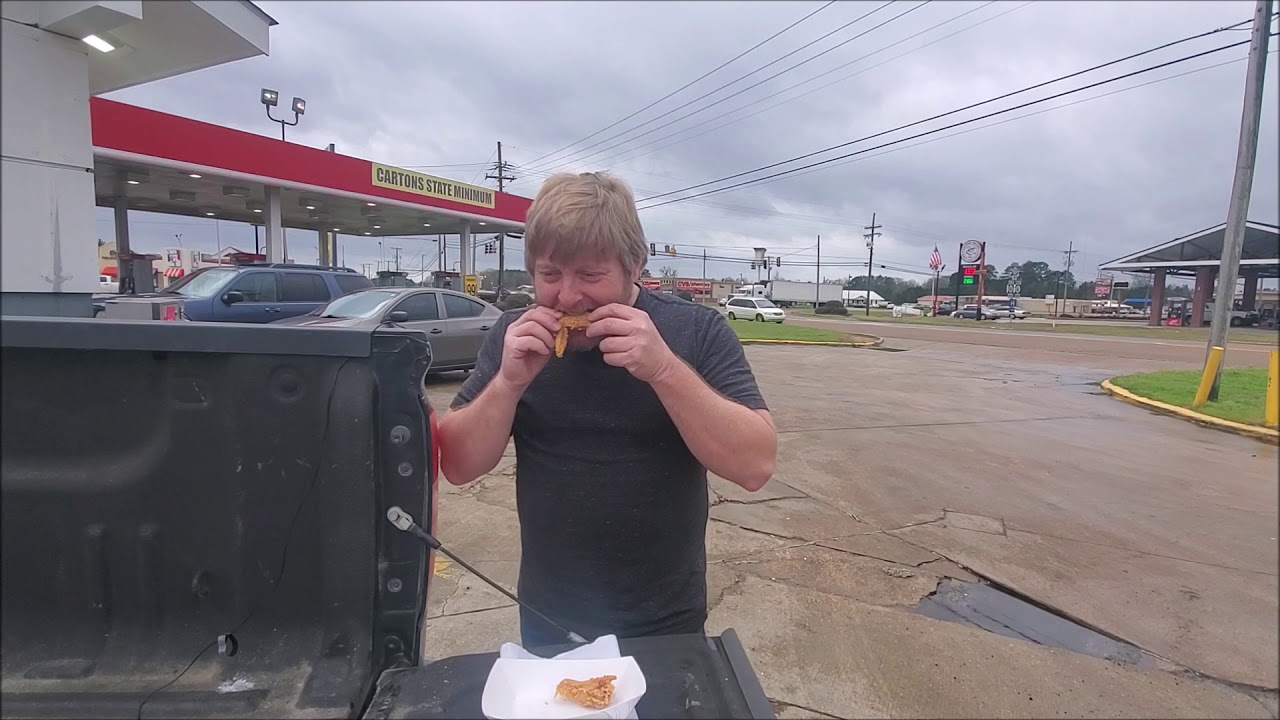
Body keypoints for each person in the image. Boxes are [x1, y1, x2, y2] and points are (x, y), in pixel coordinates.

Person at [437, 171, 777, 648]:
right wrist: (509, 383)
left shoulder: (696, 332)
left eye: (591, 276)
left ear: (634, 265)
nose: (568, 296)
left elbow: (755, 465)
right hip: (548, 619)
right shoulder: (514, 335)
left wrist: (663, 369)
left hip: (666, 623)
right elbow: (456, 464)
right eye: (550, 275)